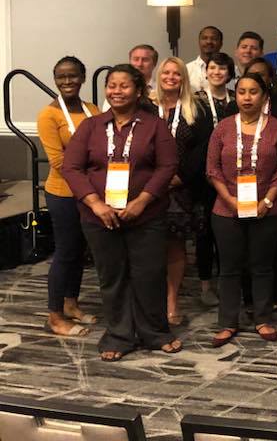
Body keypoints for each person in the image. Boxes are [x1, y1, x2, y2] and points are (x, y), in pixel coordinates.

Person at [61, 64, 181, 361]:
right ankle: (119, 334)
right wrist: (95, 204)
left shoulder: (155, 126)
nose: (116, 91)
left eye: (124, 85)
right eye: (111, 85)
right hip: (99, 217)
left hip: (146, 215)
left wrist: (142, 201)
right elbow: (71, 168)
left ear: (138, 91)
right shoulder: (91, 126)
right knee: (112, 277)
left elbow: (167, 166)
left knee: (149, 275)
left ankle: (155, 333)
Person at [206, 72, 277, 346]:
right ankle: (227, 322)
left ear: (264, 96)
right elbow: (212, 169)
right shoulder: (223, 128)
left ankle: (263, 318)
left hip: (267, 209)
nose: (247, 97)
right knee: (229, 268)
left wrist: (267, 201)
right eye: (242, 92)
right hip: (226, 209)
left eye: (253, 92)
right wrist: (229, 200)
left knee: (262, 266)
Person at [37, 56, 99, 337]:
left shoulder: (92, 110)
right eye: (61, 77)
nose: (67, 81)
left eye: (73, 75)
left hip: (89, 192)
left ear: (83, 77)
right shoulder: (48, 115)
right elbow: (59, 161)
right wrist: (89, 185)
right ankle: (55, 316)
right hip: (63, 193)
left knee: (79, 250)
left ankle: (71, 304)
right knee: (65, 251)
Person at [156, 56, 212, 327]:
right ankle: (149, 303)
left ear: (184, 78)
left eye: (176, 73)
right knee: (147, 247)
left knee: (175, 246)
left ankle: (171, 302)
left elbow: (203, 149)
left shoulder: (196, 109)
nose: (171, 77)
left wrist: (179, 178)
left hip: (181, 189)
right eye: (166, 73)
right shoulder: (145, 107)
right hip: (146, 188)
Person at [194, 51, 236, 307]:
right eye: (212, 67)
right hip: (204, 177)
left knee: (228, 231)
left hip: (232, 175)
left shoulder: (237, 100)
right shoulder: (195, 101)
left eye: (222, 68)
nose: (217, 72)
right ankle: (205, 285)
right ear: (206, 71)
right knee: (204, 232)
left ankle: (227, 282)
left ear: (229, 73)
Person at [186, 25, 224, 92]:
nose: (209, 42)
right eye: (204, 38)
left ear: (221, 44)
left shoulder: (231, 70)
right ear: (199, 42)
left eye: (214, 38)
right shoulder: (187, 70)